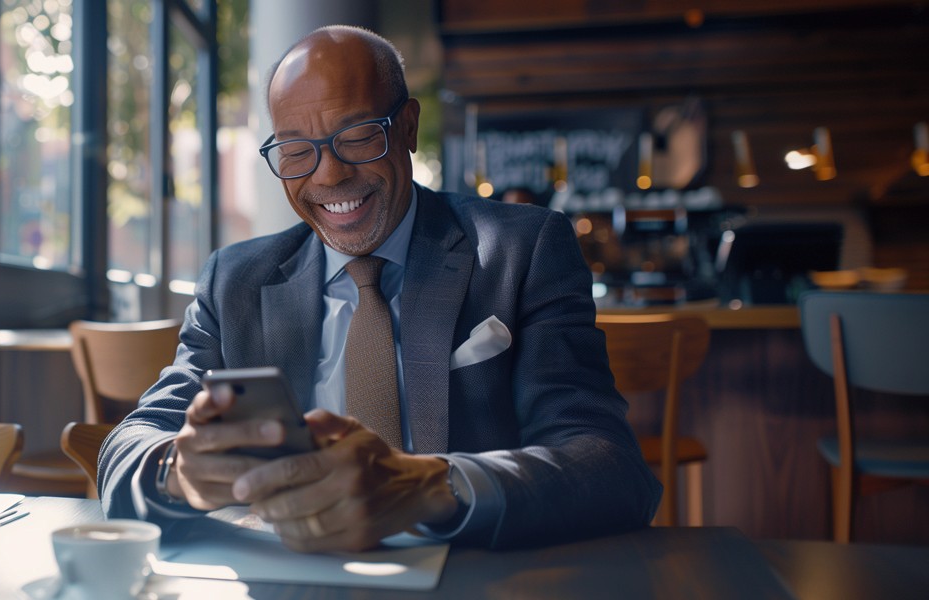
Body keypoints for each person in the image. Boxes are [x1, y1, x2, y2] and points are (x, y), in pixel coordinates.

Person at [97, 25, 660, 551]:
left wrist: (431, 488)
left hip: (466, 573)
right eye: (296, 151)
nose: (328, 175)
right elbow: (130, 443)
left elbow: (609, 467)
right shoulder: (235, 280)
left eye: (358, 136)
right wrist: (178, 472)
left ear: (408, 127)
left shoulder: (523, 250)